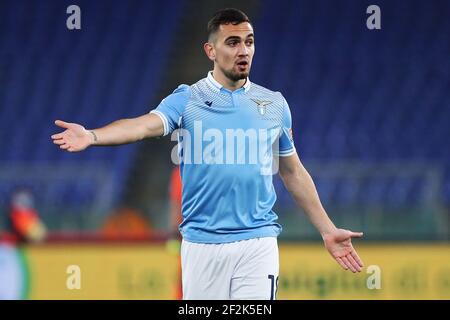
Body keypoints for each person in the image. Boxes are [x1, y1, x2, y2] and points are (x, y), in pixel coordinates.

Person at [51, 8, 364, 300]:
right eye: (233, 42)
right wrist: (93, 136)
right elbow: (144, 126)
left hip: (258, 242)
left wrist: (327, 229)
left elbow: (293, 171)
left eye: (249, 42)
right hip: (202, 245)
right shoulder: (188, 99)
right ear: (210, 51)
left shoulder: (274, 105)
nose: (243, 50)